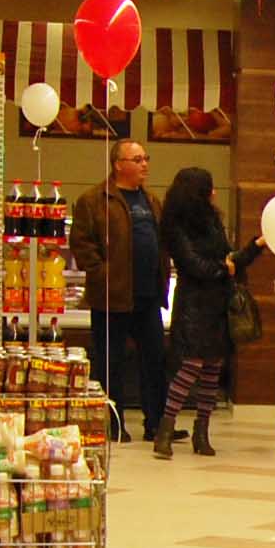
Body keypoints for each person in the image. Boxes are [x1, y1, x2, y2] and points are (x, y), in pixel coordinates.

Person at [153, 168, 264, 459]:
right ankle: (166, 429)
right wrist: (223, 268)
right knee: (190, 366)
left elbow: (229, 258)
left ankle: (201, 432)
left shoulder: (212, 220)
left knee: (213, 368)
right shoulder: (176, 225)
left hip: (217, 304)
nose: (214, 193)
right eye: (209, 188)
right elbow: (193, 264)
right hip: (194, 305)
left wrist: (254, 248)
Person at [68, 141, 167, 442]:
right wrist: (103, 273)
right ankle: (113, 424)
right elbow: (81, 244)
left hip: (148, 296)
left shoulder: (151, 200)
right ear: (118, 164)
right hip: (112, 297)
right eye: (137, 159)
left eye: (146, 158)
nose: (144, 164)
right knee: (111, 364)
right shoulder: (94, 200)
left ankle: (156, 424)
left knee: (155, 361)